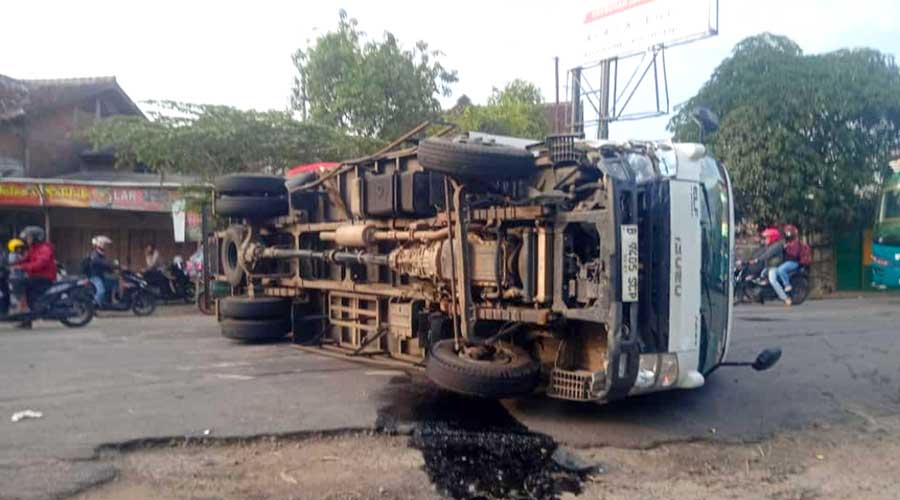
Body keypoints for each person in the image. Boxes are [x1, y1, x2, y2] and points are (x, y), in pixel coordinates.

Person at [13, 227, 57, 328]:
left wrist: (23, 267)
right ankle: (27, 319)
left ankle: (24, 311)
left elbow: (40, 263)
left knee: (20, 283)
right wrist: (12, 264)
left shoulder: (45, 249)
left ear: (37, 238)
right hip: (36, 276)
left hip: (44, 277)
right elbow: (26, 260)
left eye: (29, 237)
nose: (27, 240)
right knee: (26, 291)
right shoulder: (34, 248)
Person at [87, 235, 116, 306]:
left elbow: (104, 266)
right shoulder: (95, 254)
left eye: (105, 244)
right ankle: (91, 306)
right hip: (94, 277)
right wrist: (113, 266)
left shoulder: (101, 254)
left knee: (114, 282)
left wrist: (112, 270)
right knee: (101, 291)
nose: (105, 246)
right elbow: (102, 263)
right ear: (99, 244)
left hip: (100, 276)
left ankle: (108, 301)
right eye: (104, 244)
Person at [6, 238, 28, 314]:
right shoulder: (13, 255)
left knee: (21, 295)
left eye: (20, 247)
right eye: (18, 247)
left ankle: (21, 310)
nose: (20, 249)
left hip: (19, 277)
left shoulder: (17, 255)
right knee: (20, 295)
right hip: (16, 278)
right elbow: (17, 265)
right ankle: (20, 310)